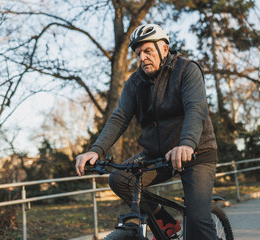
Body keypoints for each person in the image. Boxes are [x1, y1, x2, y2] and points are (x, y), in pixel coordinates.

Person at [76, 24, 218, 240]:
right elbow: (120, 117)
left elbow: (195, 109)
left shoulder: (187, 70)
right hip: (157, 154)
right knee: (120, 179)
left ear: (164, 49)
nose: (142, 58)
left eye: (147, 51)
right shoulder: (135, 83)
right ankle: (164, 221)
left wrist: (187, 143)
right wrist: (96, 150)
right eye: (138, 53)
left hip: (196, 153)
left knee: (198, 223)